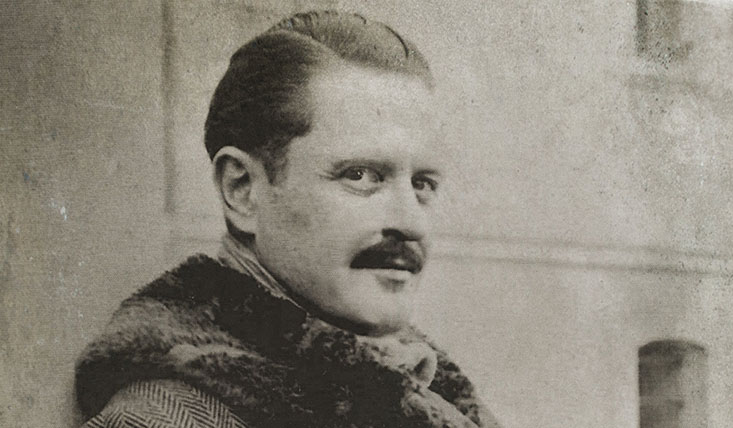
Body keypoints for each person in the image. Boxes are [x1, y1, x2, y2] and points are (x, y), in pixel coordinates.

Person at [75, 10, 500, 428]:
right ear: (242, 189)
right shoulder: (160, 421)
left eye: (422, 183)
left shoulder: (434, 398)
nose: (412, 224)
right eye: (360, 175)